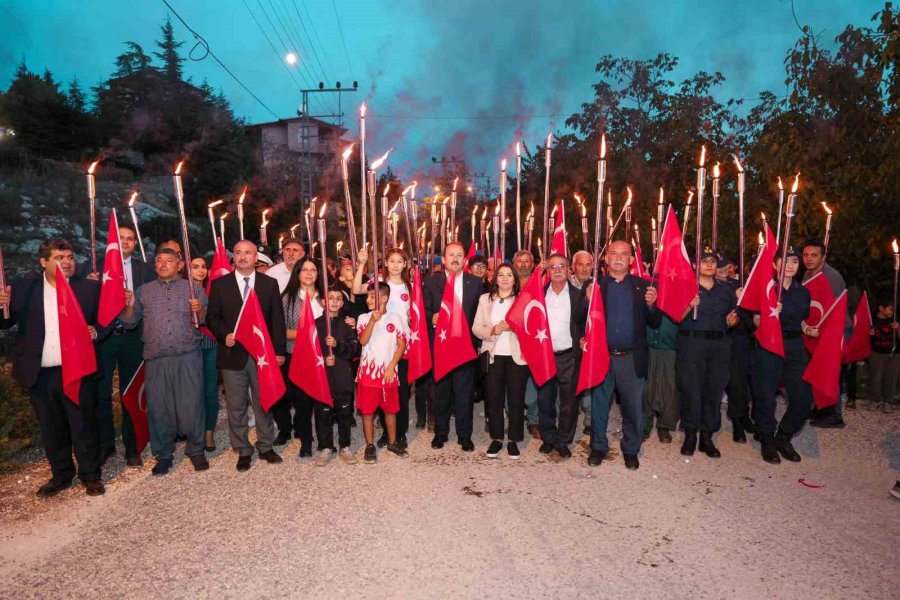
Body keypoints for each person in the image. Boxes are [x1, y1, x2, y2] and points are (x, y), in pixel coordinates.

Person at [0, 238, 105, 497]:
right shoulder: (24, 289)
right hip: (40, 374)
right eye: (59, 258)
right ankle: (61, 475)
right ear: (43, 262)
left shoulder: (88, 288)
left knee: (83, 425)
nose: (67, 262)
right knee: (51, 428)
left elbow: (107, 319)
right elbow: (5, 323)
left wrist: (97, 330)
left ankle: (90, 475)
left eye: (69, 257)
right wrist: (1, 304)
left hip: (78, 369)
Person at [121, 248, 209, 475]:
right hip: (156, 358)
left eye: (169, 261)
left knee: (192, 405)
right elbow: (130, 323)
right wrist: (129, 305)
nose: (163, 264)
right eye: (159, 260)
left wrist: (199, 309)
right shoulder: (144, 291)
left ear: (179, 266)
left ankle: (196, 450)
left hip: (187, 355)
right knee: (159, 407)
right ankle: (164, 454)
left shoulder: (193, 288)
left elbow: (203, 319)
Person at [206, 240, 286, 471]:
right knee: (236, 405)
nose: (242, 257)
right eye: (238, 253)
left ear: (255, 258)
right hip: (233, 354)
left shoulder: (269, 284)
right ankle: (242, 449)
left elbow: (277, 320)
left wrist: (279, 352)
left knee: (264, 402)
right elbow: (212, 317)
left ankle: (266, 446)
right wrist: (225, 334)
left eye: (247, 253)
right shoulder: (220, 285)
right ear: (234, 257)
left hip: (262, 356)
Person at [586, 241, 660, 470]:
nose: (618, 258)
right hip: (602, 357)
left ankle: (630, 449)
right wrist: (587, 301)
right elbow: (580, 318)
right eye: (614, 253)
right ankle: (598, 447)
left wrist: (652, 306)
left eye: (624, 254)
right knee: (599, 405)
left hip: (631, 359)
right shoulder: (595, 285)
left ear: (631, 259)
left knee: (632, 407)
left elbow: (655, 322)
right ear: (606, 258)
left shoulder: (644, 286)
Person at [93, 223, 156, 467]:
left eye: (130, 238)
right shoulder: (95, 268)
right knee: (101, 393)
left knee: (130, 392)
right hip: (104, 337)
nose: (126, 242)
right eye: (121, 238)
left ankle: (132, 446)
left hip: (133, 338)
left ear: (134, 243)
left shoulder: (146, 269)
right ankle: (106, 444)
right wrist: (90, 283)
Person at [748, 247, 817, 463]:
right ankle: (767, 439)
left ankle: (783, 436)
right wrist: (770, 315)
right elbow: (755, 319)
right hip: (770, 344)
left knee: (803, 398)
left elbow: (801, 319)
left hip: (794, 346)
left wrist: (807, 329)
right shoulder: (767, 289)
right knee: (766, 396)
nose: (790, 265)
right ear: (774, 264)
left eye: (794, 261)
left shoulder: (803, 292)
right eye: (785, 260)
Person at [676, 247, 739, 458]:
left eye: (712, 261)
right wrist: (688, 304)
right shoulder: (687, 288)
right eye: (704, 261)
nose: (710, 265)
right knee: (691, 389)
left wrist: (733, 320)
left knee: (714, 390)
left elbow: (733, 318)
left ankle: (707, 436)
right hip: (692, 344)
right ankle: (690, 434)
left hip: (719, 345)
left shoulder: (726, 290)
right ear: (695, 265)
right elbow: (676, 317)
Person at [423, 242, 485, 450]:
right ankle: (440, 433)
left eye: (459, 255)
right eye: (451, 255)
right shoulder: (432, 282)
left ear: (464, 260)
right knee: (441, 394)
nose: (455, 259)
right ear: (444, 259)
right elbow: (424, 309)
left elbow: (480, 314)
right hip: (441, 347)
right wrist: (432, 317)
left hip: (465, 348)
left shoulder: (475, 283)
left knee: (464, 394)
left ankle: (464, 435)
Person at [354, 247, 413, 449]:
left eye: (400, 261)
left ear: (405, 264)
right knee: (378, 391)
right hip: (377, 346)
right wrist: (362, 263)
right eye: (392, 261)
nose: (396, 265)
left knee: (399, 393)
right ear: (385, 263)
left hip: (401, 346)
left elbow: (417, 311)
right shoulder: (378, 284)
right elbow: (356, 289)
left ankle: (399, 434)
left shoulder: (410, 286)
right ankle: (386, 434)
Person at [472, 264, 527, 459]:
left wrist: (514, 327)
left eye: (509, 275)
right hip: (493, 355)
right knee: (494, 399)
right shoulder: (485, 299)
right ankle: (496, 438)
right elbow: (476, 327)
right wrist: (492, 331)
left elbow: (530, 325)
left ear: (514, 279)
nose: (504, 278)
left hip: (516, 356)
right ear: (495, 278)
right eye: (501, 275)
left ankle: (513, 440)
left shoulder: (523, 299)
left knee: (516, 400)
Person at [537, 253, 588, 459]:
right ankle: (549, 438)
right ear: (547, 271)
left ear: (569, 270)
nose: (557, 270)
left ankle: (563, 440)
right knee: (545, 400)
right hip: (544, 357)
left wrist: (585, 338)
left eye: (562, 266)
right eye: (553, 267)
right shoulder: (538, 295)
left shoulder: (579, 296)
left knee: (569, 402)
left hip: (570, 356)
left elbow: (587, 322)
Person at [356, 282, 409, 463]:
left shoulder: (395, 318)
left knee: (390, 410)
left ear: (384, 298)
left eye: (373, 296)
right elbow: (363, 341)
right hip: (368, 375)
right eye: (368, 296)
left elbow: (401, 344)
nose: (368, 300)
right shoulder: (363, 318)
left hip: (388, 374)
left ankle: (392, 442)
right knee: (368, 412)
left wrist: (391, 366)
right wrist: (372, 321)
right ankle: (370, 445)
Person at [276, 257, 324, 454]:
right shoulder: (287, 299)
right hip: (297, 356)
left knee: (321, 400)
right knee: (302, 402)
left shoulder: (326, 297)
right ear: (297, 273)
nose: (309, 273)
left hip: (322, 358)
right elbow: (280, 330)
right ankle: (306, 441)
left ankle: (325, 440)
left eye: (313, 269)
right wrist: (307, 334)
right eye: (304, 269)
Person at [801, 238, 848, 428]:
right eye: (806, 255)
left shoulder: (831, 277)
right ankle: (821, 408)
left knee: (829, 369)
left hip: (835, 330)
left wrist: (829, 334)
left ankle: (835, 415)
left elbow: (836, 309)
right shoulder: (807, 274)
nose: (809, 259)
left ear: (823, 256)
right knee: (817, 368)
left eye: (814, 255)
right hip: (817, 329)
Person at [313, 287, 361, 466]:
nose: (334, 301)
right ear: (323, 302)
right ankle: (326, 447)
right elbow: (309, 350)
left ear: (342, 303)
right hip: (323, 377)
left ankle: (345, 446)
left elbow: (353, 349)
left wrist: (337, 346)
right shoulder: (315, 325)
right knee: (323, 414)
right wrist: (323, 358)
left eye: (338, 298)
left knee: (344, 414)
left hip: (342, 376)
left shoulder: (347, 325)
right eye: (330, 298)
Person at [717, 251, 756, 443]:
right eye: (720, 266)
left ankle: (743, 418)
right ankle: (736, 422)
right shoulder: (708, 287)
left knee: (740, 384)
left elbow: (749, 318)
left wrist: (743, 300)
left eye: (726, 265)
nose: (724, 269)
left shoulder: (738, 286)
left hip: (740, 341)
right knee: (729, 384)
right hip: (720, 342)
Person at [190, 257, 220, 451]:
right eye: (195, 267)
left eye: (203, 267)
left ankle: (209, 433)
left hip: (210, 345)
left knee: (210, 390)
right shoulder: (183, 289)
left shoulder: (213, 289)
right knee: (192, 391)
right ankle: (193, 431)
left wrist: (204, 310)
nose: (200, 270)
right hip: (189, 347)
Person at [512, 249, 542, 439]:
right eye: (519, 261)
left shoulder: (539, 284)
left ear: (532, 265)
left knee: (532, 387)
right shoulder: (507, 282)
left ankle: (533, 420)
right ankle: (513, 419)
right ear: (514, 264)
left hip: (533, 340)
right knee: (511, 385)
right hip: (510, 340)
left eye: (527, 261)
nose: (523, 265)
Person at [569, 249, 594, 434]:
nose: (584, 269)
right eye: (580, 264)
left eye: (588, 265)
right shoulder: (563, 284)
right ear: (573, 266)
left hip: (590, 343)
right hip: (568, 343)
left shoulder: (598, 285)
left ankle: (590, 421)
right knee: (567, 387)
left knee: (589, 386)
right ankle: (566, 423)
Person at [869, 301, 899, 413]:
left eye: (893, 310)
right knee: (875, 377)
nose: (892, 312)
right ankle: (876, 400)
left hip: (894, 353)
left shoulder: (895, 319)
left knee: (891, 377)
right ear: (881, 308)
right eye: (890, 309)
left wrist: (898, 329)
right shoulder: (872, 320)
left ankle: (888, 401)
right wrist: (869, 334)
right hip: (877, 352)